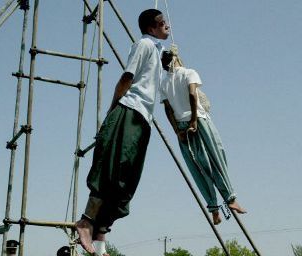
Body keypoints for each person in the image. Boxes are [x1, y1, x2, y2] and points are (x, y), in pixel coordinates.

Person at [75, 8, 170, 255]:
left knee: (126, 181)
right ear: (151, 28)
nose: (166, 25)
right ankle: (86, 221)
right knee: (112, 168)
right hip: (130, 109)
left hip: (144, 118)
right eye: (162, 23)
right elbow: (127, 77)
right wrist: (112, 109)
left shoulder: (159, 52)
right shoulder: (144, 45)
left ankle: (100, 238)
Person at [159, 50, 246, 225]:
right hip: (198, 120)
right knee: (216, 159)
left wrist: (177, 131)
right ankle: (230, 199)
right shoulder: (189, 72)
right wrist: (193, 120)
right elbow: (192, 94)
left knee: (198, 168)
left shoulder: (164, 82)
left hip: (181, 126)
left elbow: (168, 109)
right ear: (176, 58)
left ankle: (214, 209)